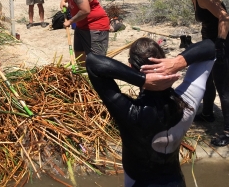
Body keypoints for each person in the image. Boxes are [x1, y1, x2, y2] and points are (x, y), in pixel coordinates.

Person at [86, 38, 215, 187]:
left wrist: (141, 79)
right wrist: (178, 62)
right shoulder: (188, 102)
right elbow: (209, 47)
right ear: (165, 63)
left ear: (130, 66)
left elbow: (93, 63)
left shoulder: (129, 113)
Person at [171, 0, 229, 146]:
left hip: (222, 44)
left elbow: (224, 16)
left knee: (223, 87)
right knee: (208, 80)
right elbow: (209, 20)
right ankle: (208, 114)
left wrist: (221, 43)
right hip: (209, 43)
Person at [59, 0, 110, 67]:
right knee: (79, 55)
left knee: (97, 62)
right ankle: (84, 77)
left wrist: (70, 21)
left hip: (96, 28)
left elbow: (85, 11)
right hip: (82, 26)